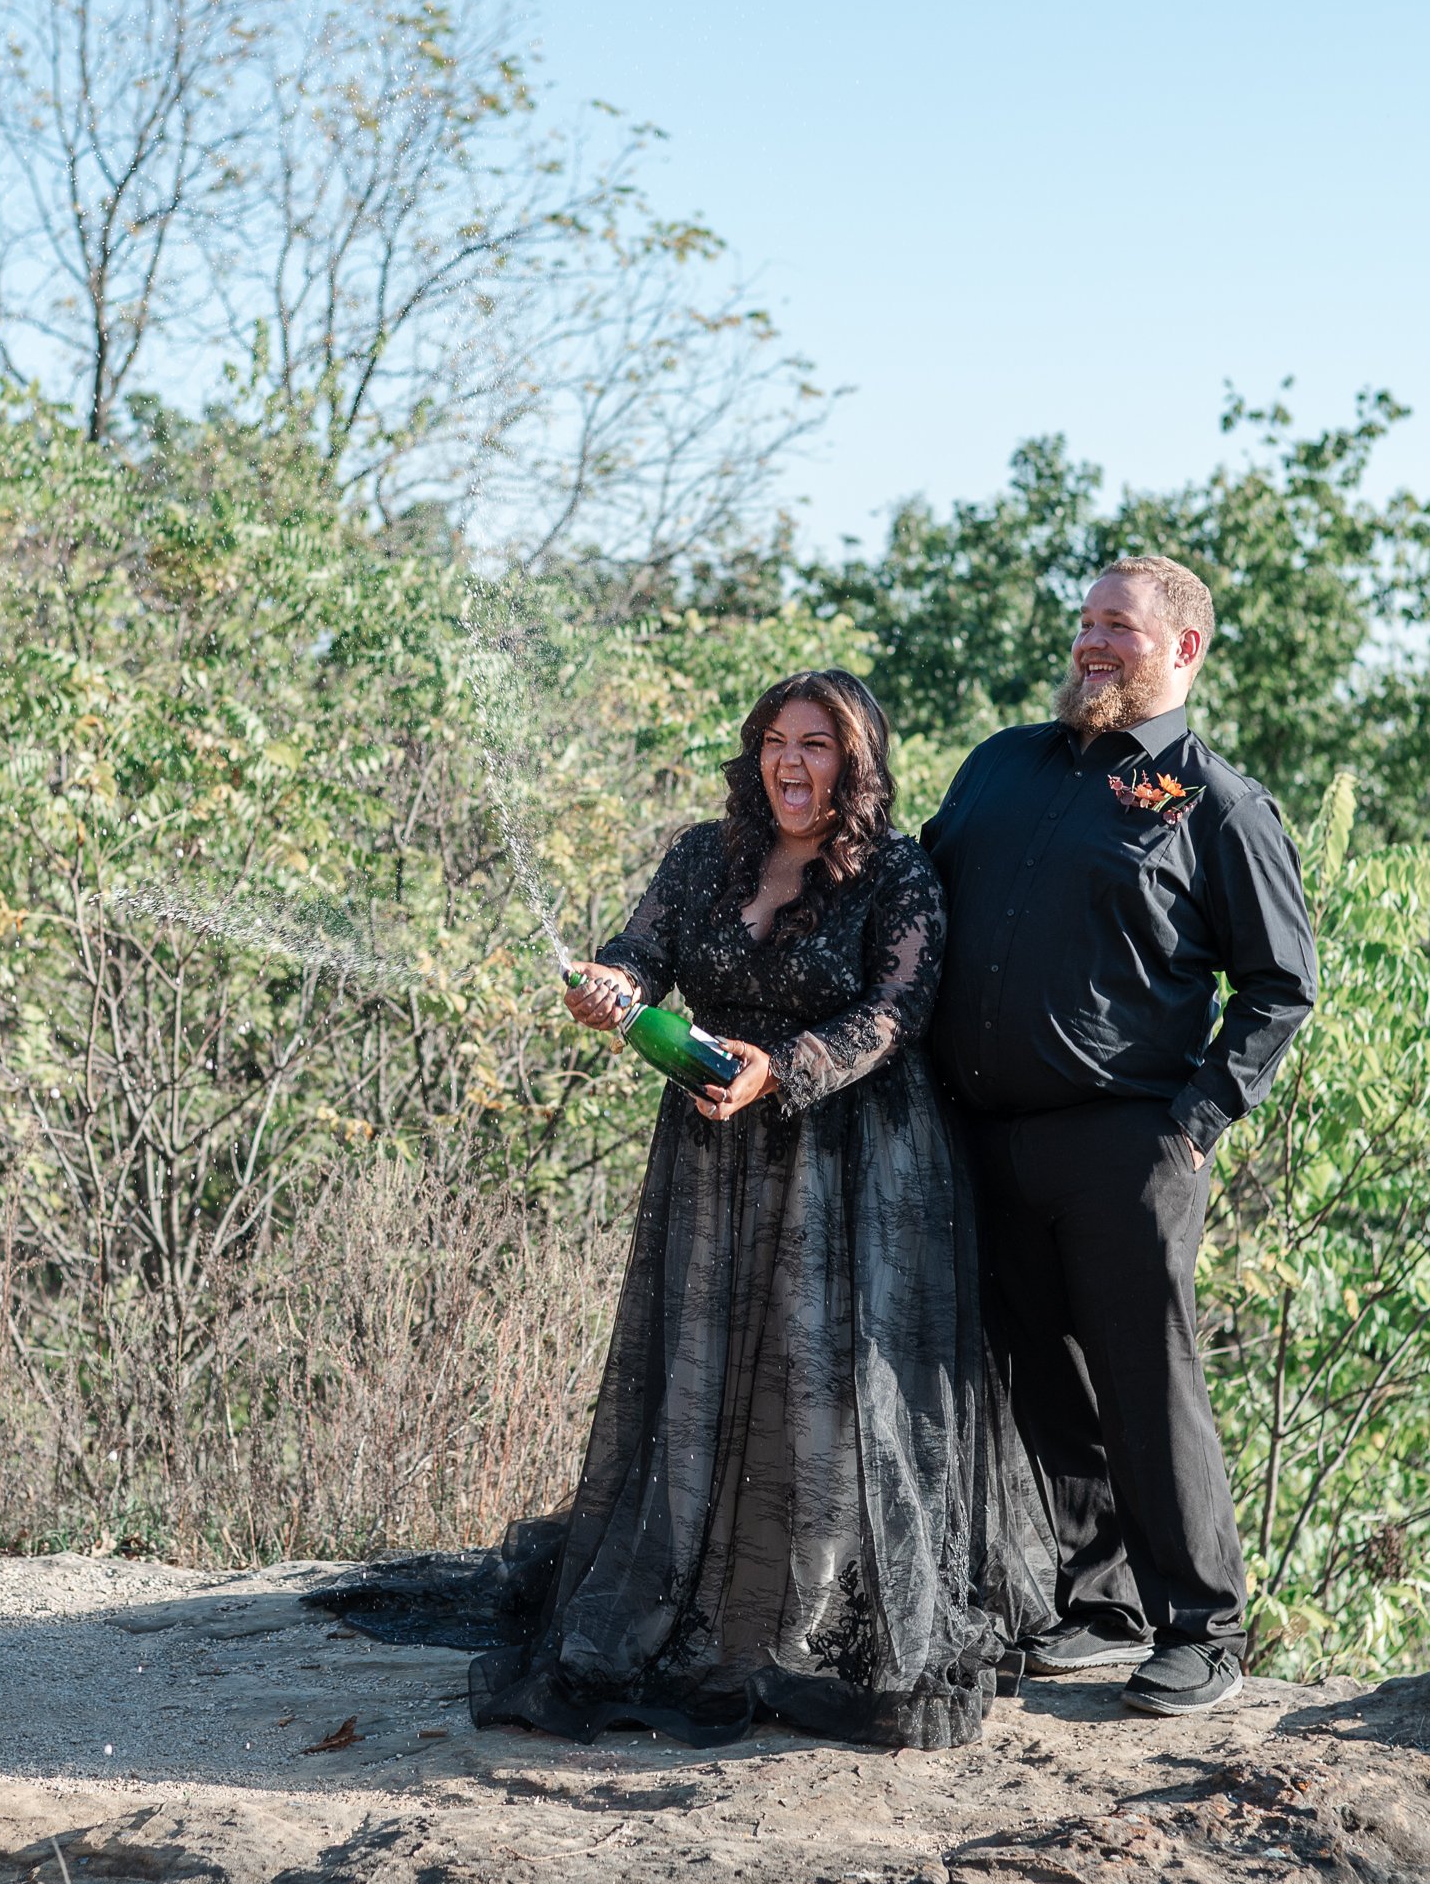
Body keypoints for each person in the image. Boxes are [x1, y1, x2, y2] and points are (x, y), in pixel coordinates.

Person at [469, 671, 1053, 1752]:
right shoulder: (704, 855)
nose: (792, 763)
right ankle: (714, 1607)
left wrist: (780, 1069)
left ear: (857, 762)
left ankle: (809, 1620)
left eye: (818, 745)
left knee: (829, 1390)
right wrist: (606, 989)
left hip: (855, 1165)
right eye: (777, 742)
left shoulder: (898, 873)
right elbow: (637, 959)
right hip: (715, 1154)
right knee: (707, 1373)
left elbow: (894, 1015)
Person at [921, 556, 1318, 1718]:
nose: (1093, 643)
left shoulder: (1220, 803)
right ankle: (1102, 1608)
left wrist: (1194, 1124)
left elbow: (1280, 985)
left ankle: (1204, 1626)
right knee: (1047, 1378)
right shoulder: (1002, 764)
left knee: (1150, 1384)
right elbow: (915, 897)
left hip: (1128, 1145)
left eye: (1121, 628)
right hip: (987, 1138)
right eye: (1086, 621)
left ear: (1184, 651)